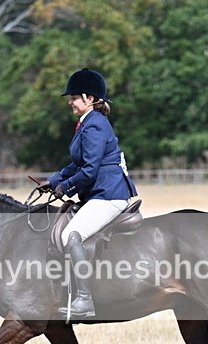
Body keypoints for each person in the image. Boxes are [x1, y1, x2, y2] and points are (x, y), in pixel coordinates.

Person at [36, 68, 137, 318]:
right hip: (99, 193)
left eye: (73, 97)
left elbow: (89, 171)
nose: (70, 102)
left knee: (72, 234)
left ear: (89, 98)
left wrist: (66, 188)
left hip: (109, 195)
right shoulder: (87, 123)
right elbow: (77, 164)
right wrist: (53, 181)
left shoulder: (95, 126)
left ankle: (84, 300)